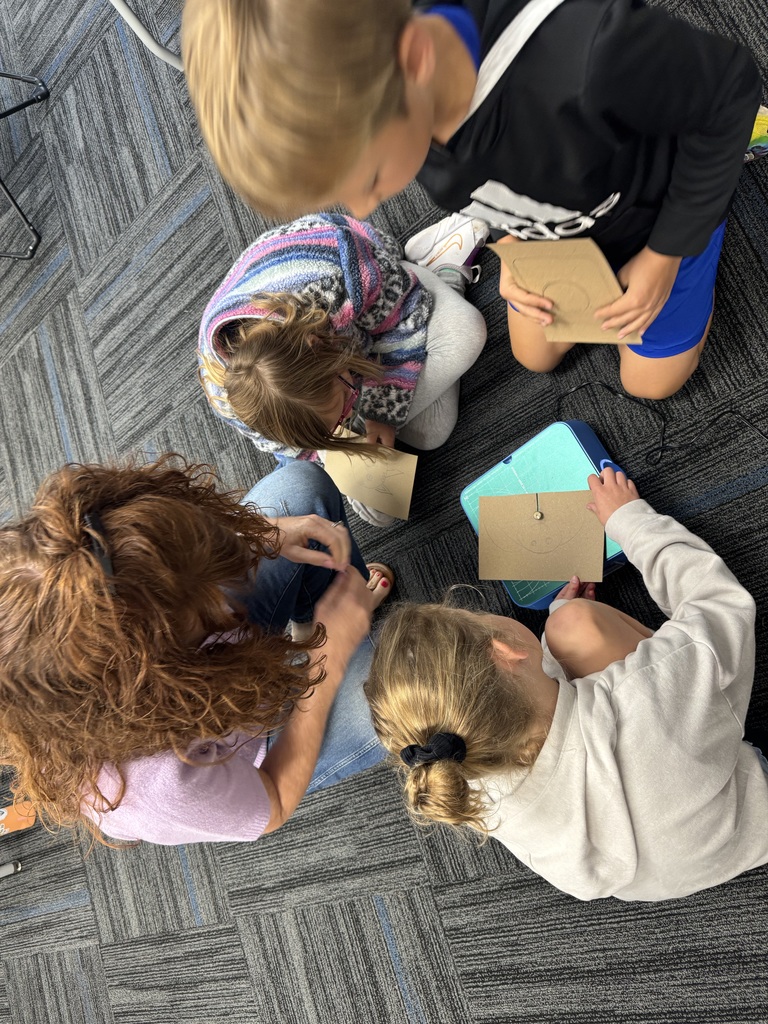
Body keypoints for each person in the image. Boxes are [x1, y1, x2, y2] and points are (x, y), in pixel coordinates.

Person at [181, 0, 762, 399]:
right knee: (535, 357)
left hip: (657, 216)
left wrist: (665, 255)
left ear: (414, 60)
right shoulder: (395, 102)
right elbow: (488, 194)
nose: (361, 210)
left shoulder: (591, 58)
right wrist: (513, 255)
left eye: (372, 174)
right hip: (555, 235)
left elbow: (733, 90)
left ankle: (702, 241)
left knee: (647, 385)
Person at [364, 467, 768, 901]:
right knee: (599, 638)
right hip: (747, 814)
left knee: (568, 626)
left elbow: (543, 715)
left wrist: (561, 618)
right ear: (503, 651)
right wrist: (630, 521)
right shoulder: (644, 695)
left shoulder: (465, 771)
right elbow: (719, 603)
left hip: (663, 869)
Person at [0, 454, 393, 845]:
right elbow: (273, 802)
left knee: (301, 488)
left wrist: (259, 536)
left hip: (195, 672)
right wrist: (329, 658)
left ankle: (324, 622)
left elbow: (174, 561)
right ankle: (334, 639)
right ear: (148, 675)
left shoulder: (105, 561)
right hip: (252, 742)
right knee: (407, 685)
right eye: (204, 608)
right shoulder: (151, 790)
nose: (228, 599)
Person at [198, 212, 487, 527]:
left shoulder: (340, 274)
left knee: (467, 335)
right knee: (421, 452)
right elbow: (292, 450)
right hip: (333, 363)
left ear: (319, 345)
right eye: (332, 422)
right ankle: (345, 411)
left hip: (384, 286)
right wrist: (330, 447)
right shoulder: (227, 396)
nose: (343, 421)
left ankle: (440, 271)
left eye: (343, 405)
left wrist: (381, 413)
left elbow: (406, 311)